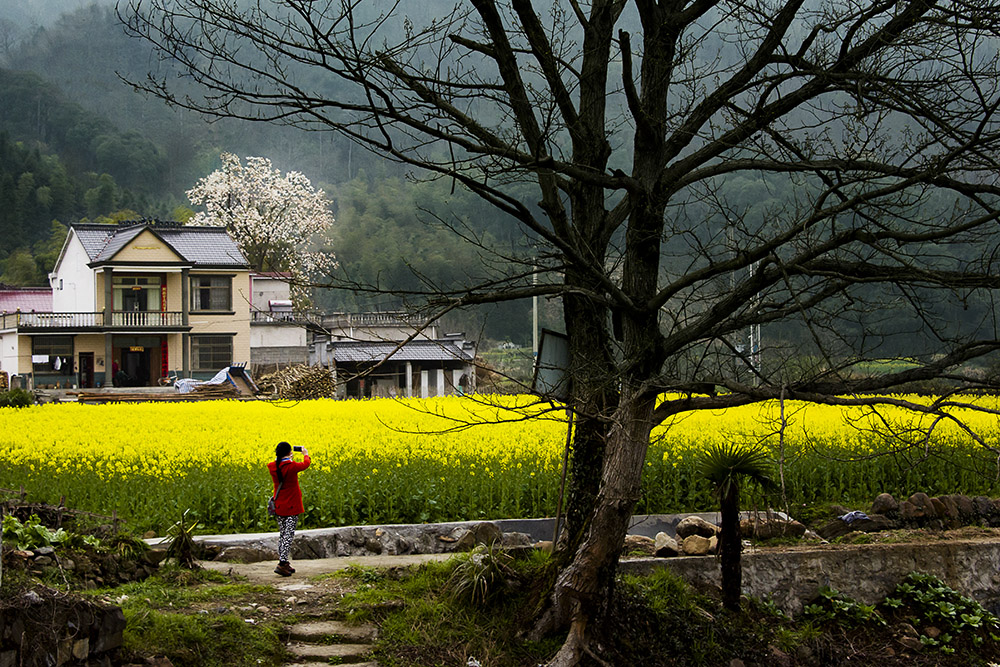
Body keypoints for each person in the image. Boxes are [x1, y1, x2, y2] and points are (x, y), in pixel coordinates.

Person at [267, 441, 310, 576]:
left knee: (283, 534)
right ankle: (282, 563)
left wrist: (288, 458)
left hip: (279, 505)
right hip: (291, 506)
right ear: (289, 452)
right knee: (288, 535)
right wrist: (305, 454)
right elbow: (306, 464)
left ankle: (284, 563)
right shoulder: (291, 466)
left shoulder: (273, 466)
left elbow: (282, 466)